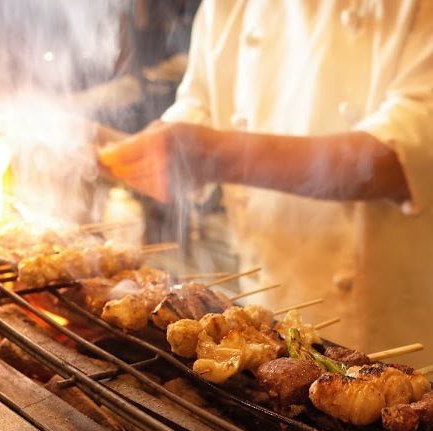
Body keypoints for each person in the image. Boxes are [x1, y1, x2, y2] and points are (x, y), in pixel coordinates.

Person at [99, 0, 433, 366]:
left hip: (392, 333)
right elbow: (200, 102)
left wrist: (222, 154)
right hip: (269, 313)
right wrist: (157, 147)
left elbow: (403, 158)